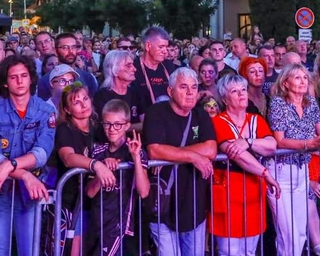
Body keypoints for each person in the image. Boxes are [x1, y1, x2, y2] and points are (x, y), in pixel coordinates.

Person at [0, 54, 54, 256]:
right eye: (14, 77)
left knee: (29, 250)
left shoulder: (46, 111)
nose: (20, 81)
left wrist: (8, 166)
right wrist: (24, 174)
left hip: (29, 194)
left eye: (24, 75)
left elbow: (41, 153)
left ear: (31, 78)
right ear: (5, 82)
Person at [143, 67, 216, 256]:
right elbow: (154, 149)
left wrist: (170, 153)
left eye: (194, 87)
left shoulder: (201, 115)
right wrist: (193, 156)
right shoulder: (157, 112)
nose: (190, 92)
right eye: (183, 87)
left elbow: (211, 149)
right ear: (170, 91)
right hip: (163, 202)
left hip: (194, 205)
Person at [209, 73, 281, 256]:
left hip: (253, 189)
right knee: (229, 250)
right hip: (227, 189)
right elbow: (237, 155)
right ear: (224, 98)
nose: (242, 94)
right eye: (235, 91)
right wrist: (265, 173)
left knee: (249, 250)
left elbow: (271, 146)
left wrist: (248, 142)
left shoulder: (256, 119)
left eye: (243, 90)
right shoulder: (218, 121)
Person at [266, 63, 320, 256]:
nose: (303, 81)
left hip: (302, 169)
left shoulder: (311, 102)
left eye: (305, 77)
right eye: (297, 77)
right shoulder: (278, 103)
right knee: (288, 234)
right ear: (286, 83)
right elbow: (280, 140)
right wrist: (309, 144)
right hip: (280, 170)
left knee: (301, 233)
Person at [84, 100, 150, 256]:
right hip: (98, 223)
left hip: (124, 227)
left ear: (127, 125)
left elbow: (144, 191)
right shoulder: (98, 152)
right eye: (107, 124)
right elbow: (90, 192)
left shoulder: (136, 151)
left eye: (117, 125)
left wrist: (136, 159)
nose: (112, 129)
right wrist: (102, 171)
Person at [53, 83, 106, 256]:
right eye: (76, 102)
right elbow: (68, 158)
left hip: (95, 199)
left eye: (85, 99)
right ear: (67, 110)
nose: (84, 105)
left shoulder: (98, 126)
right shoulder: (64, 128)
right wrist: (96, 165)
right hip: (72, 201)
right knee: (73, 249)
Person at [93, 50, 148, 132]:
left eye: (133, 65)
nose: (134, 69)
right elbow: (108, 129)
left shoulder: (136, 92)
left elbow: (146, 123)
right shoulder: (102, 96)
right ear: (114, 70)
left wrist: (123, 128)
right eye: (128, 66)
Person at [134, 27, 177, 103]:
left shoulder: (168, 65)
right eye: (161, 47)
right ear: (148, 46)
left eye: (166, 47)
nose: (165, 52)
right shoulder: (134, 68)